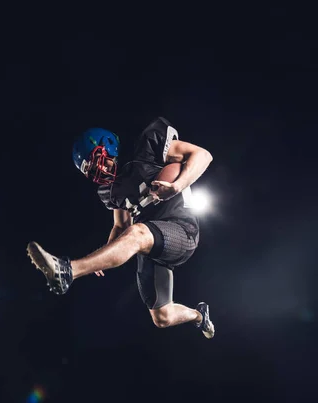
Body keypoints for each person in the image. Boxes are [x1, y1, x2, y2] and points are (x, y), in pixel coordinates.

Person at [27, 116, 215, 338]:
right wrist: (106, 254)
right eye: (91, 170)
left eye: (98, 161)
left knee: (136, 233)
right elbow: (120, 225)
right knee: (162, 317)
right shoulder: (112, 190)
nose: (99, 171)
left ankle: (68, 271)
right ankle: (199, 316)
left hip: (181, 229)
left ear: (108, 145)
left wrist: (177, 186)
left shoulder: (147, 147)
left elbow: (204, 155)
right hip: (151, 241)